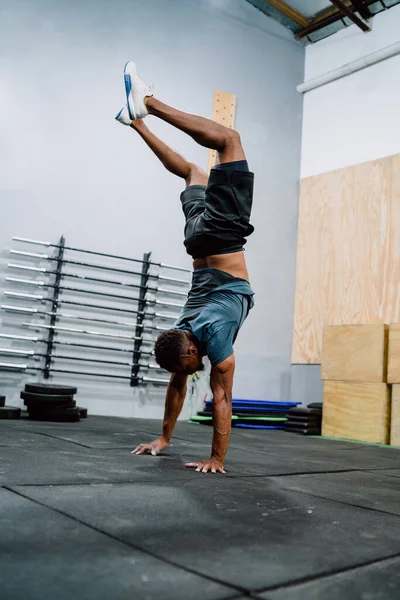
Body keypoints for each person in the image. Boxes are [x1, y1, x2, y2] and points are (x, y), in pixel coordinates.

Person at [116, 62, 255, 474]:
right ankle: (134, 124)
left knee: (229, 140)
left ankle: (148, 104)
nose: (190, 375)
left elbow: (223, 398)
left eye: (190, 366)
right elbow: (177, 385)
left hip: (219, 237)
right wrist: (163, 439)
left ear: (192, 349)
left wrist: (217, 458)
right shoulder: (183, 328)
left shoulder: (213, 343)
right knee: (194, 171)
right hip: (196, 241)